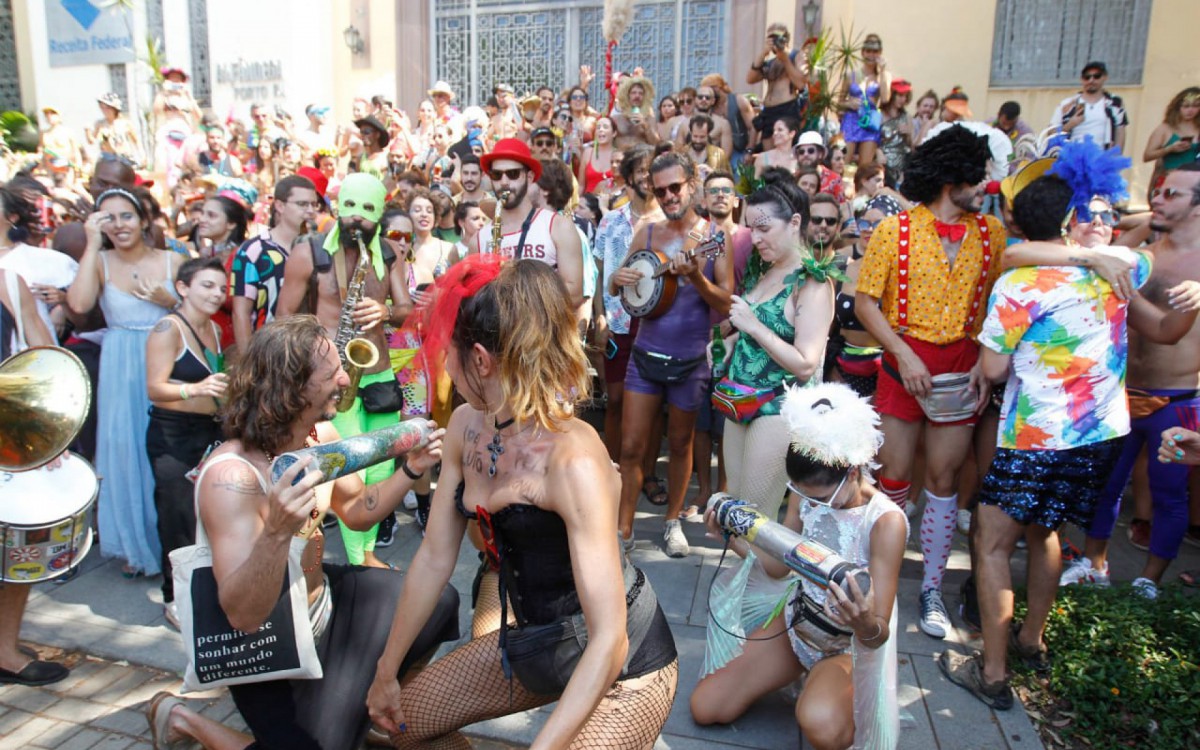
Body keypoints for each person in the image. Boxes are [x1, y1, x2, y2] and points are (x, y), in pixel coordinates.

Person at [365, 257, 678, 749]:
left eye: (448, 351)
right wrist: (386, 671)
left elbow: (609, 640)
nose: (442, 364)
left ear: (482, 360)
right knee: (398, 726)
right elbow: (432, 559)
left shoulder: (573, 457)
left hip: (625, 665)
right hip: (537, 642)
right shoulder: (467, 426)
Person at [144, 316, 459, 750]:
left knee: (438, 601)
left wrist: (412, 469)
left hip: (322, 602)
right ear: (291, 388)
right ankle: (182, 719)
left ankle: (354, 710)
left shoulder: (320, 435)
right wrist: (276, 532)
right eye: (331, 374)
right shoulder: (232, 477)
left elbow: (357, 511)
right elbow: (244, 616)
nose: (346, 378)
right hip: (266, 643)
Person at [939, 166, 1176, 709]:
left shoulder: (1019, 285)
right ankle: (1032, 641)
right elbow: (1143, 239)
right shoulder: (1124, 268)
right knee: (1046, 531)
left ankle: (993, 675)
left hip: (1036, 435)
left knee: (992, 543)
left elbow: (994, 370)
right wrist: (1097, 238)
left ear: (1019, 221)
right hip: (1100, 435)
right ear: (1073, 222)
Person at [691, 383, 907, 750]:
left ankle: (834, 689)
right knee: (706, 707)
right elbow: (778, 567)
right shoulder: (806, 493)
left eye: (819, 496)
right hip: (798, 625)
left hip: (847, 646)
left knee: (819, 725)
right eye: (802, 493)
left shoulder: (886, 521)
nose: (809, 503)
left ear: (853, 471)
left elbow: (878, 634)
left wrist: (863, 621)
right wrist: (732, 538)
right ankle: (812, 680)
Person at [854, 125, 1006, 639]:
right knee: (893, 477)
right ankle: (886, 583)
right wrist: (902, 354)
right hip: (903, 366)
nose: (985, 185)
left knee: (943, 483)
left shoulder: (992, 233)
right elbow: (865, 303)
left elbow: (997, 305)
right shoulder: (893, 230)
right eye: (978, 175)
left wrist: (983, 360)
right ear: (950, 177)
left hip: (961, 368)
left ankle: (932, 590)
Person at [1049, 164, 1200, 598]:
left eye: (1172, 194)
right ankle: (1095, 564)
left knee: (1169, 493)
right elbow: (1097, 238)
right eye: (1158, 190)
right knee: (1106, 486)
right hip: (1121, 393)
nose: (1158, 199)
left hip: (1178, 398)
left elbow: (1169, 332)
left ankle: (1148, 580)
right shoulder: (1145, 252)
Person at [276, 173, 415, 569]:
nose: (356, 219)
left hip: (378, 372)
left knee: (383, 467)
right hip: (332, 374)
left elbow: (406, 312)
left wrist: (387, 311)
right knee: (351, 468)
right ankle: (360, 560)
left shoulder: (389, 253)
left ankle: (366, 551)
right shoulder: (310, 250)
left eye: (367, 211)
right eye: (349, 208)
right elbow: (283, 315)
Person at [610, 152, 735, 557]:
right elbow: (625, 287)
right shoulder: (646, 232)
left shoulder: (715, 237)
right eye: (659, 190)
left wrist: (696, 275)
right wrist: (616, 279)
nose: (667, 196)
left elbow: (727, 300)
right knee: (630, 448)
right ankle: (623, 528)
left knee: (680, 445)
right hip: (644, 356)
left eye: (674, 188)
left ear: (692, 183)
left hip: (689, 363)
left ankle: (672, 522)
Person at [710, 179, 836, 526]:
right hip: (740, 400)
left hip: (778, 407)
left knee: (751, 518)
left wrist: (751, 326)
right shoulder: (765, 271)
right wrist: (730, 344)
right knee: (735, 510)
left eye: (764, 228)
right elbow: (756, 332)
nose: (755, 238)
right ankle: (751, 578)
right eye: (751, 229)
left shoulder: (812, 282)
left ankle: (771, 580)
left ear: (795, 223)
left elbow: (806, 364)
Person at [67, 188, 179, 578]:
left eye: (126, 216)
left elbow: (201, 316)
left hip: (162, 358)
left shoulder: (173, 261)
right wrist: (92, 243)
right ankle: (133, 545)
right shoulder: (98, 262)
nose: (119, 225)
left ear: (144, 219)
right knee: (123, 450)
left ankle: (167, 544)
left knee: (163, 452)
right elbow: (79, 306)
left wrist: (171, 300)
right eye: (108, 218)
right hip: (119, 366)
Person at [144, 257, 229, 627]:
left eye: (221, 288)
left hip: (207, 434)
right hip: (172, 436)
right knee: (177, 519)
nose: (216, 294)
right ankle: (174, 598)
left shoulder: (214, 328)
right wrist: (194, 389)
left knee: (205, 518)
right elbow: (154, 389)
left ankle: (203, 590)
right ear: (183, 288)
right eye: (207, 286)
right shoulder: (168, 328)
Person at [0, 269, 64, 687]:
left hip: (8, 431)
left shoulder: (7, 282)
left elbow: (45, 361)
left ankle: (4, 650)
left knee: (16, 547)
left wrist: (47, 433)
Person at [592, 144, 662, 463]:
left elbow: (701, 258)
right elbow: (597, 273)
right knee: (616, 398)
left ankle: (646, 475)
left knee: (653, 401)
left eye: (653, 171)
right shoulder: (610, 222)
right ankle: (611, 468)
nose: (647, 177)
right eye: (641, 170)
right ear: (629, 177)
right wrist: (600, 319)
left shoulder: (671, 221)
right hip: (618, 321)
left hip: (658, 323)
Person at [475, 138, 584, 309]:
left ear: (530, 177)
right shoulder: (479, 239)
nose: (504, 181)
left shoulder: (559, 226)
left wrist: (517, 305)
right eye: (496, 175)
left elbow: (575, 293)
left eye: (512, 174)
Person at [230, 174, 320, 350]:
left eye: (314, 204)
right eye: (302, 204)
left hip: (312, 351)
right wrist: (248, 364)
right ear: (279, 205)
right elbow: (241, 312)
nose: (310, 210)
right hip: (269, 351)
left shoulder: (320, 249)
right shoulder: (253, 250)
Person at [831, 195, 902, 399]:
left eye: (878, 223)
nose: (869, 229)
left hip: (887, 371)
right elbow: (827, 328)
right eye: (864, 223)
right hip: (841, 370)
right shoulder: (844, 265)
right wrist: (830, 368)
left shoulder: (903, 275)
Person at [0, 186, 79, 342]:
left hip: (25, 356)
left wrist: (62, 305)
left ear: (12, 217)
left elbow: (86, 307)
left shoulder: (42, 260)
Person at [747, 22, 807, 143]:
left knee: (784, 151)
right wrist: (763, 53)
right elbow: (750, 79)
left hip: (786, 109)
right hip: (769, 112)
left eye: (777, 37)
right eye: (770, 38)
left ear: (786, 39)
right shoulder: (770, 63)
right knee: (769, 156)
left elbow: (800, 83)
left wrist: (785, 59)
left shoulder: (796, 56)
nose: (774, 41)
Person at [839, 33, 891, 167]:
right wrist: (849, 103)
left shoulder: (883, 76)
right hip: (851, 120)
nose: (871, 55)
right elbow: (838, 102)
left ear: (880, 53)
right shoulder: (851, 75)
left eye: (875, 52)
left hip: (870, 122)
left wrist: (883, 71)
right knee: (843, 161)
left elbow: (885, 98)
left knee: (865, 167)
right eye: (868, 51)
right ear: (862, 53)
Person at [1051, 61, 1128, 152]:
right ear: (1081, 79)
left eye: (1096, 76)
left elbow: (1120, 131)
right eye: (1087, 77)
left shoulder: (1114, 103)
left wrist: (1116, 156)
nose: (1091, 80)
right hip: (1071, 157)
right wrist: (1069, 125)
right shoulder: (1067, 104)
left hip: (1102, 157)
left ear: (1105, 77)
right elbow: (1050, 133)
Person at [1142, 87, 1200, 189]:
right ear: (1177, 107)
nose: (1190, 110)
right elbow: (1147, 156)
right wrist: (1170, 149)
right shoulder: (1165, 128)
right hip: (1170, 181)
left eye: (1195, 106)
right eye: (1185, 106)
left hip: (1195, 183)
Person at [87, 92, 142, 167]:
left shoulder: (125, 123)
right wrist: (87, 132)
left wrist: (142, 157)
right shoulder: (100, 124)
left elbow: (136, 141)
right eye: (102, 107)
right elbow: (92, 141)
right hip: (107, 159)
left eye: (107, 108)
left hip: (124, 158)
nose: (104, 110)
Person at [879, 80, 914, 186]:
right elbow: (873, 140)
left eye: (905, 96)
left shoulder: (906, 117)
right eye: (900, 95)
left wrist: (908, 134)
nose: (903, 99)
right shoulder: (880, 114)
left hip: (902, 163)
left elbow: (911, 146)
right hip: (884, 161)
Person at [613, 75, 660, 150]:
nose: (637, 96)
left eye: (640, 93)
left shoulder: (649, 119)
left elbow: (656, 143)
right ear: (628, 96)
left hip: (640, 157)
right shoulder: (616, 119)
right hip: (621, 157)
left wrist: (645, 125)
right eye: (633, 93)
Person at [579, 117, 616, 194]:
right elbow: (581, 186)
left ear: (614, 133)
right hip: (589, 202)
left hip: (612, 202)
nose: (601, 130)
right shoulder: (587, 153)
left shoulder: (619, 155)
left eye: (605, 127)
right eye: (598, 127)